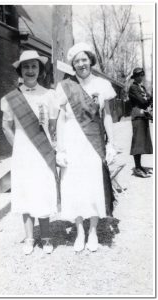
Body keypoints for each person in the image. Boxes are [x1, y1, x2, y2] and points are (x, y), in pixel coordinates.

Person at [54, 42, 117, 253]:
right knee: (74, 185)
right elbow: (61, 119)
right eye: (76, 61)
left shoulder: (101, 84)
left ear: (90, 60)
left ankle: (92, 232)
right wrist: (60, 149)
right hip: (72, 140)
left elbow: (107, 115)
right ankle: (79, 231)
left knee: (93, 185)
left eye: (84, 59)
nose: (81, 64)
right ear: (72, 64)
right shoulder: (65, 87)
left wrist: (112, 143)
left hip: (94, 142)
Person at [0, 50, 58, 255]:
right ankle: (29, 238)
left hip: (43, 151)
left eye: (34, 66)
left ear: (40, 70)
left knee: (42, 189)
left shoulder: (49, 95)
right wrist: (18, 147)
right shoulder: (11, 98)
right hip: (23, 152)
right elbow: (6, 126)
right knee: (25, 191)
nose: (30, 70)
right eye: (26, 67)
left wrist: (53, 146)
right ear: (20, 70)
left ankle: (47, 237)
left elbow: (53, 126)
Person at [128, 67, 153, 178]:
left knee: (142, 143)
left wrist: (148, 99)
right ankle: (137, 168)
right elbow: (143, 101)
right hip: (137, 115)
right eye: (138, 75)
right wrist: (148, 99)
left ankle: (139, 166)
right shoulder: (133, 88)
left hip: (143, 116)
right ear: (135, 77)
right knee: (138, 142)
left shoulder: (141, 87)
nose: (140, 77)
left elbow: (149, 98)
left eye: (142, 75)